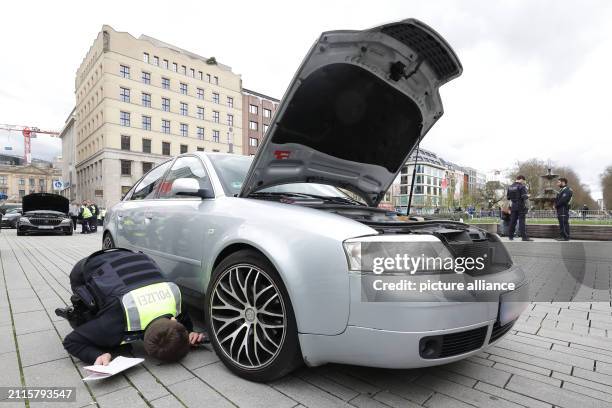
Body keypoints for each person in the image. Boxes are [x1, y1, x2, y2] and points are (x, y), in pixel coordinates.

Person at [56, 248, 207, 365]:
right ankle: (76, 313)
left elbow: (183, 325)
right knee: (91, 312)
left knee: (109, 306)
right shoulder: (114, 324)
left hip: (132, 256)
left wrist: (190, 332)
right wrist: (97, 355)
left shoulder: (175, 297)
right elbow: (71, 341)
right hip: (88, 265)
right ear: (175, 319)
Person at [507, 175, 533, 241]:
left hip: (513, 206)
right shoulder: (521, 186)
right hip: (521, 206)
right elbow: (524, 197)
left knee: (512, 221)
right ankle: (524, 237)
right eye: (523, 181)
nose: (523, 182)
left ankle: (510, 236)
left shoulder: (510, 187)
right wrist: (528, 195)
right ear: (521, 179)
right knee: (522, 221)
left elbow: (508, 198)